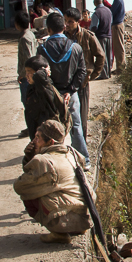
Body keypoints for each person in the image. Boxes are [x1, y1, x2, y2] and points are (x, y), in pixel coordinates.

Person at [13, 119, 92, 244]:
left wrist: (31, 158)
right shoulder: (71, 152)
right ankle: (77, 227)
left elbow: (20, 186)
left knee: (30, 194)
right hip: (84, 215)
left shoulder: (44, 161)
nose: (34, 142)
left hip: (66, 215)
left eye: (38, 138)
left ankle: (59, 233)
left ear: (50, 142)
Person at [36, 13, 90, 162]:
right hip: (70, 95)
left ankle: (53, 161)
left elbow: (41, 75)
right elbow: (82, 72)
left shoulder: (42, 49)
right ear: (64, 27)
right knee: (76, 127)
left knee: (51, 129)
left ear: (48, 30)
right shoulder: (75, 47)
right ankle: (84, 160)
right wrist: (71, 90)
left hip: (51, 96)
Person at [64, 7, 105, 137]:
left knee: (82, 116)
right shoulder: (63, 37)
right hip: (66, 82)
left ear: (78, 22)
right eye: (65, 21)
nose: (67, 24)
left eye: (70, 21)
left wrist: (92, 75)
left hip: (82, 82)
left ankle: (82, 147)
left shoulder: (87, 36)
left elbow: (100, 56)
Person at [22, 56, 70, 138]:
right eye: (26, 72)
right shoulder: (32, 87)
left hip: (46, 136)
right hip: (36, 134)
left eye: (29, 72)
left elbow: (38, 76)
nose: (27, 75)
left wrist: (44, 70)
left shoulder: (45, 88)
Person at [15, 10, 37, 129]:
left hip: (27, 76)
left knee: (27, 102)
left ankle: (31, 127)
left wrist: (24, 74)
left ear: (17, 24)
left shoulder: (24, 38)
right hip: (29, 74)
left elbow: (28, 58)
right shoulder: (30, 34)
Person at [89, 0, 112, 79]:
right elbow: (111, 22)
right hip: (109, 35)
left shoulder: (96, 13)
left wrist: (90, 33)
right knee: (109, 55)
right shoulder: (108, 10)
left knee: (102, 56)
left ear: (94, 2)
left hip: (101, 36)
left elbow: (94, 26)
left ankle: (104, 74)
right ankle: (108, 73)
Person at [107, 0, 126, 72]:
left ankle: (120, 68)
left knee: (118, 47)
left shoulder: (118, 0)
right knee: (118, 46)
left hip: (117, 25)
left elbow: (111, 13)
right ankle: (120, 67)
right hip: (117, 25)